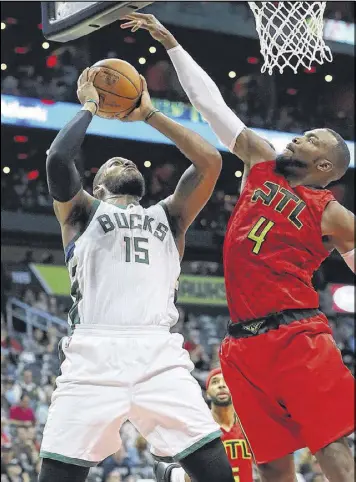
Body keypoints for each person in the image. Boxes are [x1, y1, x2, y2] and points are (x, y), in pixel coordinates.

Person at [121, 13, 355, 482]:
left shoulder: (331, 212)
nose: (300, 136)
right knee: (270, 463)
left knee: (329, 447)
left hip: (297, 337)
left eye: (312, 139)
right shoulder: (262, 160)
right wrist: (171, 44)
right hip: (241, 345)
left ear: (325, 163)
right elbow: (213, 107)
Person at [38, 69, 234, 482]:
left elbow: (210, 161)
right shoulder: (82, 212)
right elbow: (57, 158)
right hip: (93, 355)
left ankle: (171, 475)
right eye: (113, 161)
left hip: (158, 354)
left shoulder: (170, 216)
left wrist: (149, 114)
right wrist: (92, 104)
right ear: (97, 184)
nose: (123, 160)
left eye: (126, 159)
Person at [155, 368, 253, 482]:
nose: (221, 385)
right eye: (215, 382)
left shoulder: (248, 426)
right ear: (207, 392)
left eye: (225, 381)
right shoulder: (199, 426)